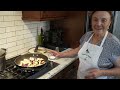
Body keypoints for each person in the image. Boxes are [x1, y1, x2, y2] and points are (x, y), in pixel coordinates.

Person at [50, 11, 120, 79]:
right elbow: (79, 49)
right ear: (91, 22)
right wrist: (61, 54)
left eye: (103, 20)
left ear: (109, 23)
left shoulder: (113, 43)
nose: (98, 24)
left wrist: (102, 72)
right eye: (95, 20)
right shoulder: (88, 35)